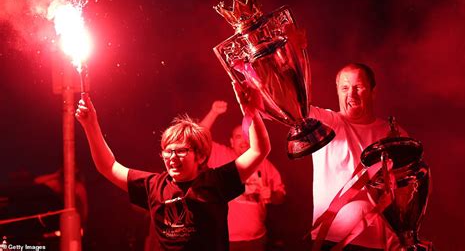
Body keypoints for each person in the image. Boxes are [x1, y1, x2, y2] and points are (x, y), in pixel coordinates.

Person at [75, 81, 270, 251]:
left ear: (200, 157)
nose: (172, 157)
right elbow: (108, 167)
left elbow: (259, 150)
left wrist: (250, 110)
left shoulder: (216, 182)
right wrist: (90, 124)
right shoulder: (153, 186)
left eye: (181, 151)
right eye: (168, 151)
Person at [310, 63, 404, 250]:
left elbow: (413, 188)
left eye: (358, 87)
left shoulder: (393, 134)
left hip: (381, 244)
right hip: (330, 239)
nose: (351, 95)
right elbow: (290, 106)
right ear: (337, 91)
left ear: (372, 92)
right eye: (344, 88)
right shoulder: (324, 124)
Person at [200, 100, 286, 251]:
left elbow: (281, 196)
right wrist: (213, 112)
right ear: (231, 142)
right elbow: (198, 138)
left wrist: (272, 195)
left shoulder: (264, 163)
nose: (244, 140)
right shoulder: (221, 155)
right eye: (238, 136)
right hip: (225, 239)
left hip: (257, 239)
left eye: (246, 136)